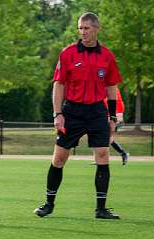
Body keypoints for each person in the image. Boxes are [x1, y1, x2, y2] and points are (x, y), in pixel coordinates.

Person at [33, 12, 122, 219]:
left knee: (102, 155)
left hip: (97, 112)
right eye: (80, 28)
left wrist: (112, 117)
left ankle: (101, 209)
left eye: (87, 28)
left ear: (96, 29)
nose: (83, 32)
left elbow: (111, 88)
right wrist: (58, 113)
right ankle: (49, 204)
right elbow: (58, 85)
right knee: (59, 158)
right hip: (72, 111)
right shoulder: (68, 54)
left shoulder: (107, 56)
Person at [106, 88, 129, 165]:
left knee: (109, 138)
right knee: (108, 138)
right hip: (112, 115)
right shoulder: (111, 89)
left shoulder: (112, 89)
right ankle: (123, 154)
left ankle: (123, 153)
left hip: (115, 115)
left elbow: (114, 104)